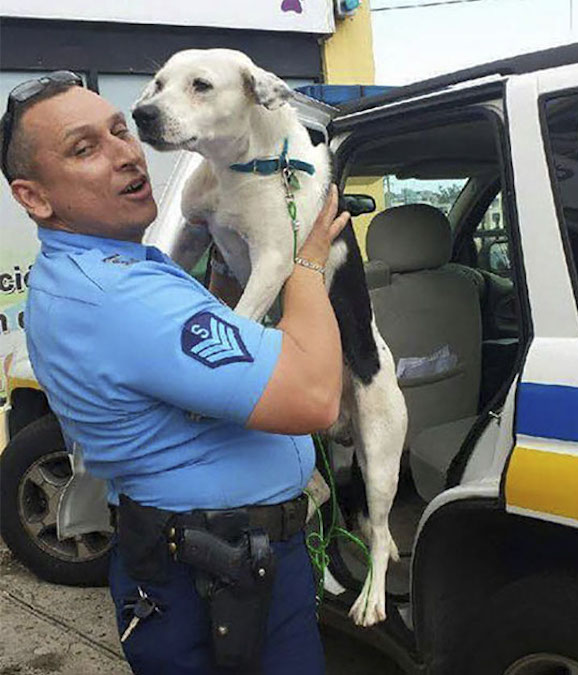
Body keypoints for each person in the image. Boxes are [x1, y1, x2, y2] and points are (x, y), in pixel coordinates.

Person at [3, 72, 347, 674]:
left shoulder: (118, 270)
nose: (124, 153)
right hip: (215, 578)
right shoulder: (120, 297)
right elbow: (315, 397)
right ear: (34, 198)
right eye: (85, 149)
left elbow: (210, 353)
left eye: (119, 130)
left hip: (212, 563)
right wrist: (308, 264)